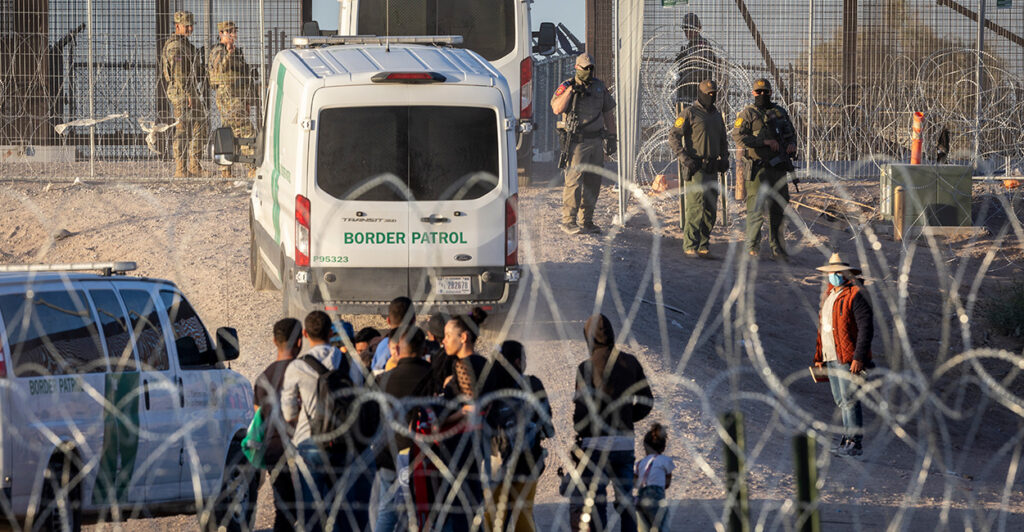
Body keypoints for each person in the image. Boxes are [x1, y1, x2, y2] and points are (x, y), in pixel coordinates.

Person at [280, 310, 374, 530]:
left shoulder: (297, 367)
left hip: (309, 442)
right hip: (343, 442)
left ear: (304, 333)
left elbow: (288, 412)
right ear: (332, 333)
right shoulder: (351, 365)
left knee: (311, 512)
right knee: (343, 508)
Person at [571, 314, 654, 532]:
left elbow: (580, 412)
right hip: (624, 443)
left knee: (597, 503)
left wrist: (581, 432)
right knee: (626, 503)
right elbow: (647, 402)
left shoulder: (585, 368)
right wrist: (627, 417)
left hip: (595, 445)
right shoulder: (630, 362)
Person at [434, 311, 504, 532]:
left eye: (447, 335)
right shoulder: (485, 363)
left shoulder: (463, 365)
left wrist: (441, 422)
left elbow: (472, 409)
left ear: (463, 337)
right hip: (480, 446)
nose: (443, 340)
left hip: (461, 447)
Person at [486, 340, 554, 532]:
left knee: (491, 520)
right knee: (524, 518)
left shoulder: (489, 387)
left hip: (495, 462)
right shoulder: (532, 384)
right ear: (517, 362)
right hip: (526, 462)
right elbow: (546, 420)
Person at [813, 253, 874, 456]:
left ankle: (854, 442)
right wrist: (819, 357)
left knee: (849, 399)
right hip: (831, 355)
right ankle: (847, 439)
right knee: (841, 400)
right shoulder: (829, 296)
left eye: (838, 272)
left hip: (847, 357)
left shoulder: (856, 294)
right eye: (832, 272)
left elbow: (866, 327)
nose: (834, 275)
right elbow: (823, 331)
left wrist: (858, 356)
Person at [732, 78, 799, 260]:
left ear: (771, 93)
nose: (762, 95)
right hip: (758, 169)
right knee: (756, 209)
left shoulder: (780, 112)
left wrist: (792, 145)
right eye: (758, 92)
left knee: (778, 209)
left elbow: (791, 134)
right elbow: (738, 136)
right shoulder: (748, 113)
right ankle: (752, 247)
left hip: (779, 169)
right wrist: (763, 142)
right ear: (753, 93)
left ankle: (777, 248)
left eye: (766, 92)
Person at [550, 52, 617, 236]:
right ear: (577, 68)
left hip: (596, 140)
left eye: (591, 68)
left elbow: (608, 113)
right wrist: (571, 92)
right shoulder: (567, 85)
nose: (588, 71)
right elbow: (557, 108)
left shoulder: (599, 87)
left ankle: (586, 220)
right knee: (574, 182)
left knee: (593, 182)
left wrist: (612, 136)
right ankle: (568, 221)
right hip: (577, 142)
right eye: (585, 68)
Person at [375, 326, 433, 532]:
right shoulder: (432, 376)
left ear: (399, 348)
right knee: (428, 512)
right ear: (424, 347)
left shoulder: (385, 379)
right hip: (426, 457)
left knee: (387, 511)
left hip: (391, 452)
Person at [668, 79, 730, 258]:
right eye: (708, 94)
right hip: (696, 168)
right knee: (695, 208)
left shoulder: (717, 115)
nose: (711, 97)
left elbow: (723, 140)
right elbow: (673, 136)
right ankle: (690, 245)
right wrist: (684, 158)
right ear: (700, 94)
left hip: (712, 167)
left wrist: (724, 158)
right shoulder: (689, 113)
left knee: (710, 209)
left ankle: (704, 245)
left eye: (714, 94)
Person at [254, 318, 302, 532]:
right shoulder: (306, 372)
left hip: (274, 451)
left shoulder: (263, 378)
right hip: (303, 449)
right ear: (300, 341)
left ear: (274, 341)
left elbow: (258, 419)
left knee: (283, 510)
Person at [161, 10, 209, 178]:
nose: (189, 28)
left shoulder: (185, 44)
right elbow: (179, 74)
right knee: (182, 129)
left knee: (201, 124)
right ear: (177, 26)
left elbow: (193, 70)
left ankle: (194, 165)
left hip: (190, 92)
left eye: (191, 25)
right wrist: (189, 94)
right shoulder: (176, 47)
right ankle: (181, 169)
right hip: (182, 93)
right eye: (186, 26)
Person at [208, 21, 256, 178]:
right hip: (228, 97)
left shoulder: (237, 52)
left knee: (229, 131)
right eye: (229, 31)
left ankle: (225, 170)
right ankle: (253, 167)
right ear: (221, 34)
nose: (233, 34)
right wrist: (228, 53)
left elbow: (244, 76)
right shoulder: (218, 51)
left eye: (234, 31)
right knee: (246, 130)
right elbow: (220, 68)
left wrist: (247, 100)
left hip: (238, 97)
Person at [674, 13, 719, 115]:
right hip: (686, 92)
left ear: (698, 28)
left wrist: (686, 63)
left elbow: (702, 68)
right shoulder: (689, 47)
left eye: (690, 28)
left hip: (697, 93)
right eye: (685, 29)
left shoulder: (703, 45)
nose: (687, 32)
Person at [634, 424, 674, 532]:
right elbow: (667, 482)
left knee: (643, 528)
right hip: (657, 496)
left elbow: (635, 482)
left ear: (645, 447)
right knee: (661, 526)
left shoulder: (639, 463)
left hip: (640, 497)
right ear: (663, 447)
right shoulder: (665, 461)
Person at [371, 296, 416, 374]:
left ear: (388, 321)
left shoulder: (384, 345)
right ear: (414, 320)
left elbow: (376, 375)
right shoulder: (419, 344)